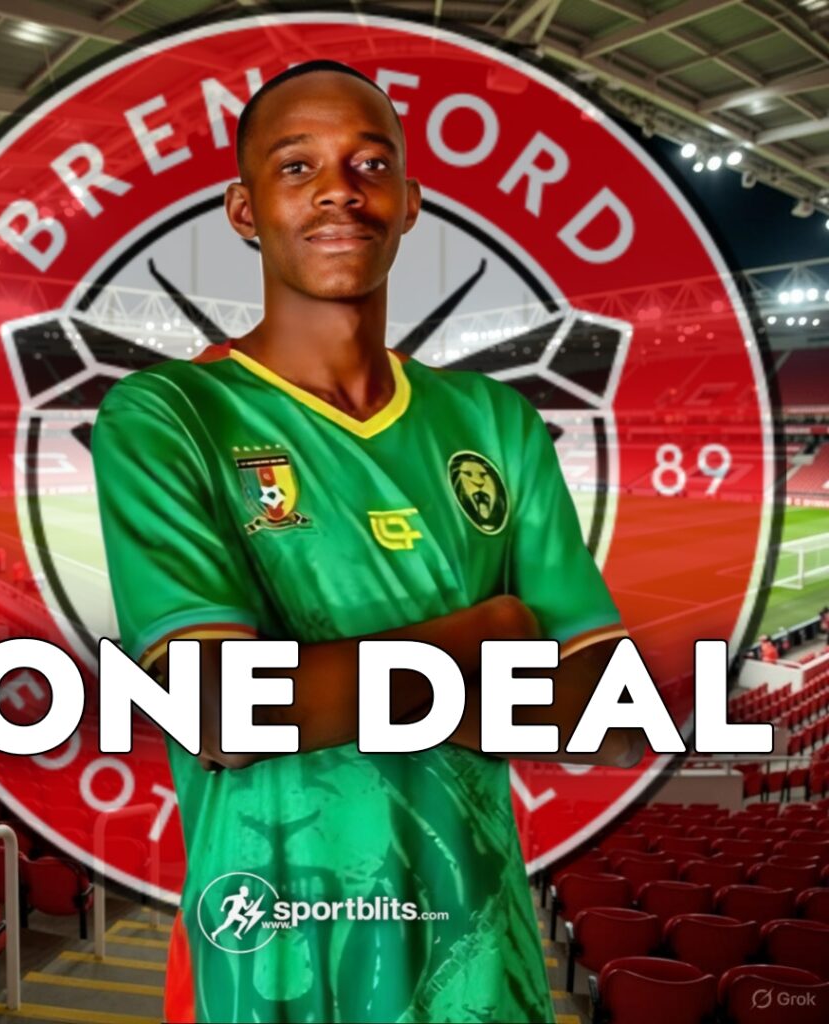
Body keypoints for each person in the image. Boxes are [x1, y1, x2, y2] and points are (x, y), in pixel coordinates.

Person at [93, 60, 641, 1024]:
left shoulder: (497, 421)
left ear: (410, 203)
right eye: (296, 165)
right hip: (272, 963)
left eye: (370, 163)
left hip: (480, 965)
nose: (340, 188)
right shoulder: (170, 412)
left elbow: (611, 714)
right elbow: (228, 711)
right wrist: (494, 631)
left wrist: (336, 689)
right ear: (245, 209)